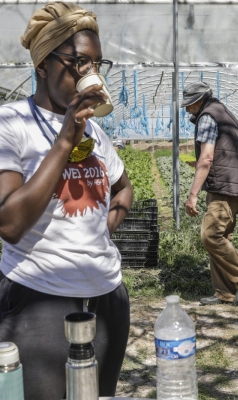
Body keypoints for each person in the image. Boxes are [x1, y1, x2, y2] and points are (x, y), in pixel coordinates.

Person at [0, 2, 133, 399]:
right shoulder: (12, 123)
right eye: (78, 62)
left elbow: (123, 188)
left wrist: (100, 233)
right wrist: (64, 140)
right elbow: (9, 224)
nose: (89, 73)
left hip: (107, 295)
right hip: (40, 299)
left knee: (99, 394)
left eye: (96, 63)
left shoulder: (97, 134)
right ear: (43, 64)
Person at [183, 81, 238, 306]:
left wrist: (193, 194)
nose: (187, 109)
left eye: (189, 105)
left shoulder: (208, 117)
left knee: (210, 235)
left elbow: (207, 158)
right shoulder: (226, 114)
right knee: (222, 237)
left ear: (199, 100)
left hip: (224, 187)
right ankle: (225, 292)